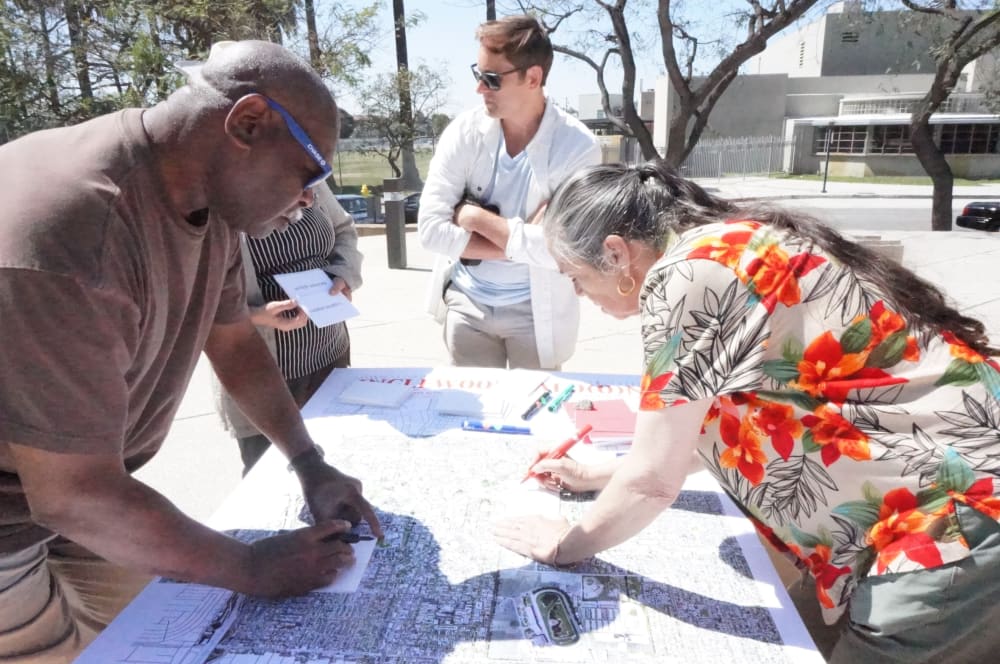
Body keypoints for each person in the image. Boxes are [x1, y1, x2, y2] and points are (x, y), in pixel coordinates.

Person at [494, 160, 1000, 663]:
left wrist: (565, 545)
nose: (579, 294)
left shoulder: (687, 275)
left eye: (575, 278)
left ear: (616, 253)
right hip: (938, 513)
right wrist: (596, 474)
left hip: (953, 521)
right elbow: (716, 427)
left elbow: (653, 481)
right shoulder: (723, 247)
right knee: (795, 633)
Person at [0, 40, 381, 662]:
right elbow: (72, 496)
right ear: (247, 123)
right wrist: (254, 567)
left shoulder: (208, 205)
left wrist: (309, 463)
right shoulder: (70, 231)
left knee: (154, 635)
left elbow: (235, 343)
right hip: (23, 519)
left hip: (77, 493)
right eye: (310, 171)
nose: (313, 197)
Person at [417, 14, 600, 370]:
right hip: (466, 306)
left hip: (537, 313)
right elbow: (430, 230)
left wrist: (472, 216)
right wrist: (526, 242)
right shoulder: (463, 132)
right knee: (471, 422)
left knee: (538, 419)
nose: (479, 89)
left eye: (491, 79)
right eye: (478, 74)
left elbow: (563, 250)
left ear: (533, 77)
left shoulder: (577, 147)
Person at [217, 183, 362, 474]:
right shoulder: (219, 198)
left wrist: (342, 275)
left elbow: (344, 230)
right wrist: (256, 314)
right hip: (263, 376)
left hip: (329, 358)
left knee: (340, 469)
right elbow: (191, 301)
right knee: (270, 481)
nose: (309, 198)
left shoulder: (309, 174)